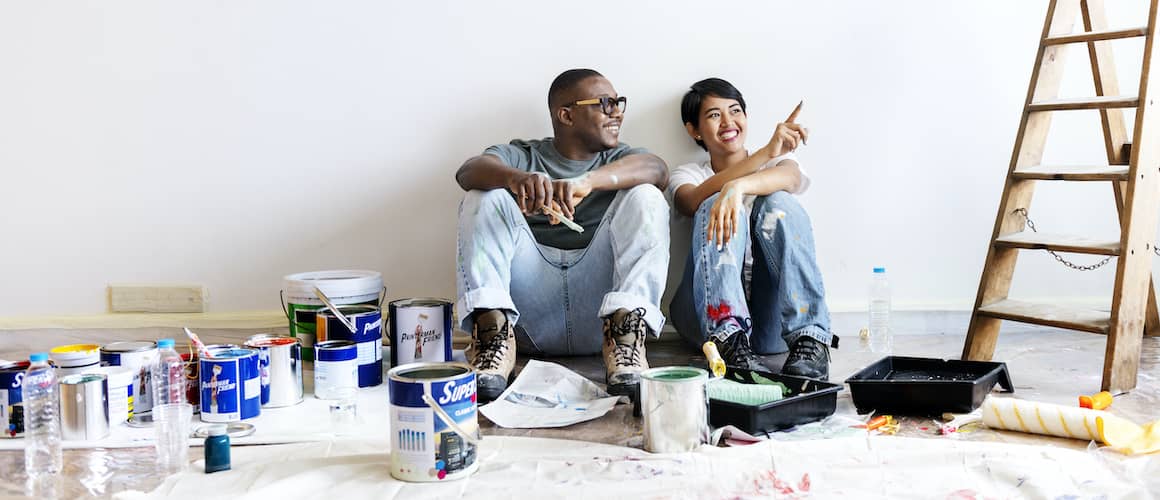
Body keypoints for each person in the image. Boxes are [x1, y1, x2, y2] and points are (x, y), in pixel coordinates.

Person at [455, 69, 670, 401]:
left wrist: (589, 182)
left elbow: (658, 169)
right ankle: (493, 340)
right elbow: (468, 171)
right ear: (566, 114)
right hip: (529, 314)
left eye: (618, 103)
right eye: (604, 103)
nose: (617, 112)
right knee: (482, 196)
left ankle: (627, 346)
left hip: (600, 318)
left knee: (647, 196)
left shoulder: (620, 158)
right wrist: (516, 179)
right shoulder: (523, 154)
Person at [667, 77, 836, 380]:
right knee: (710, 202)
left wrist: (739, 186)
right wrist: (759, 158)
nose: (728, 121)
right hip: (705, 321)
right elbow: (691, 201)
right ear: (693, 130)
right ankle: (729, 342)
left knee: (779, 203)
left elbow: (792, 178)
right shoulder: (688, 173)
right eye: (714, 115)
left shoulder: (779, 161)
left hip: (770, 323)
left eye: (735, 111)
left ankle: (811, 339)